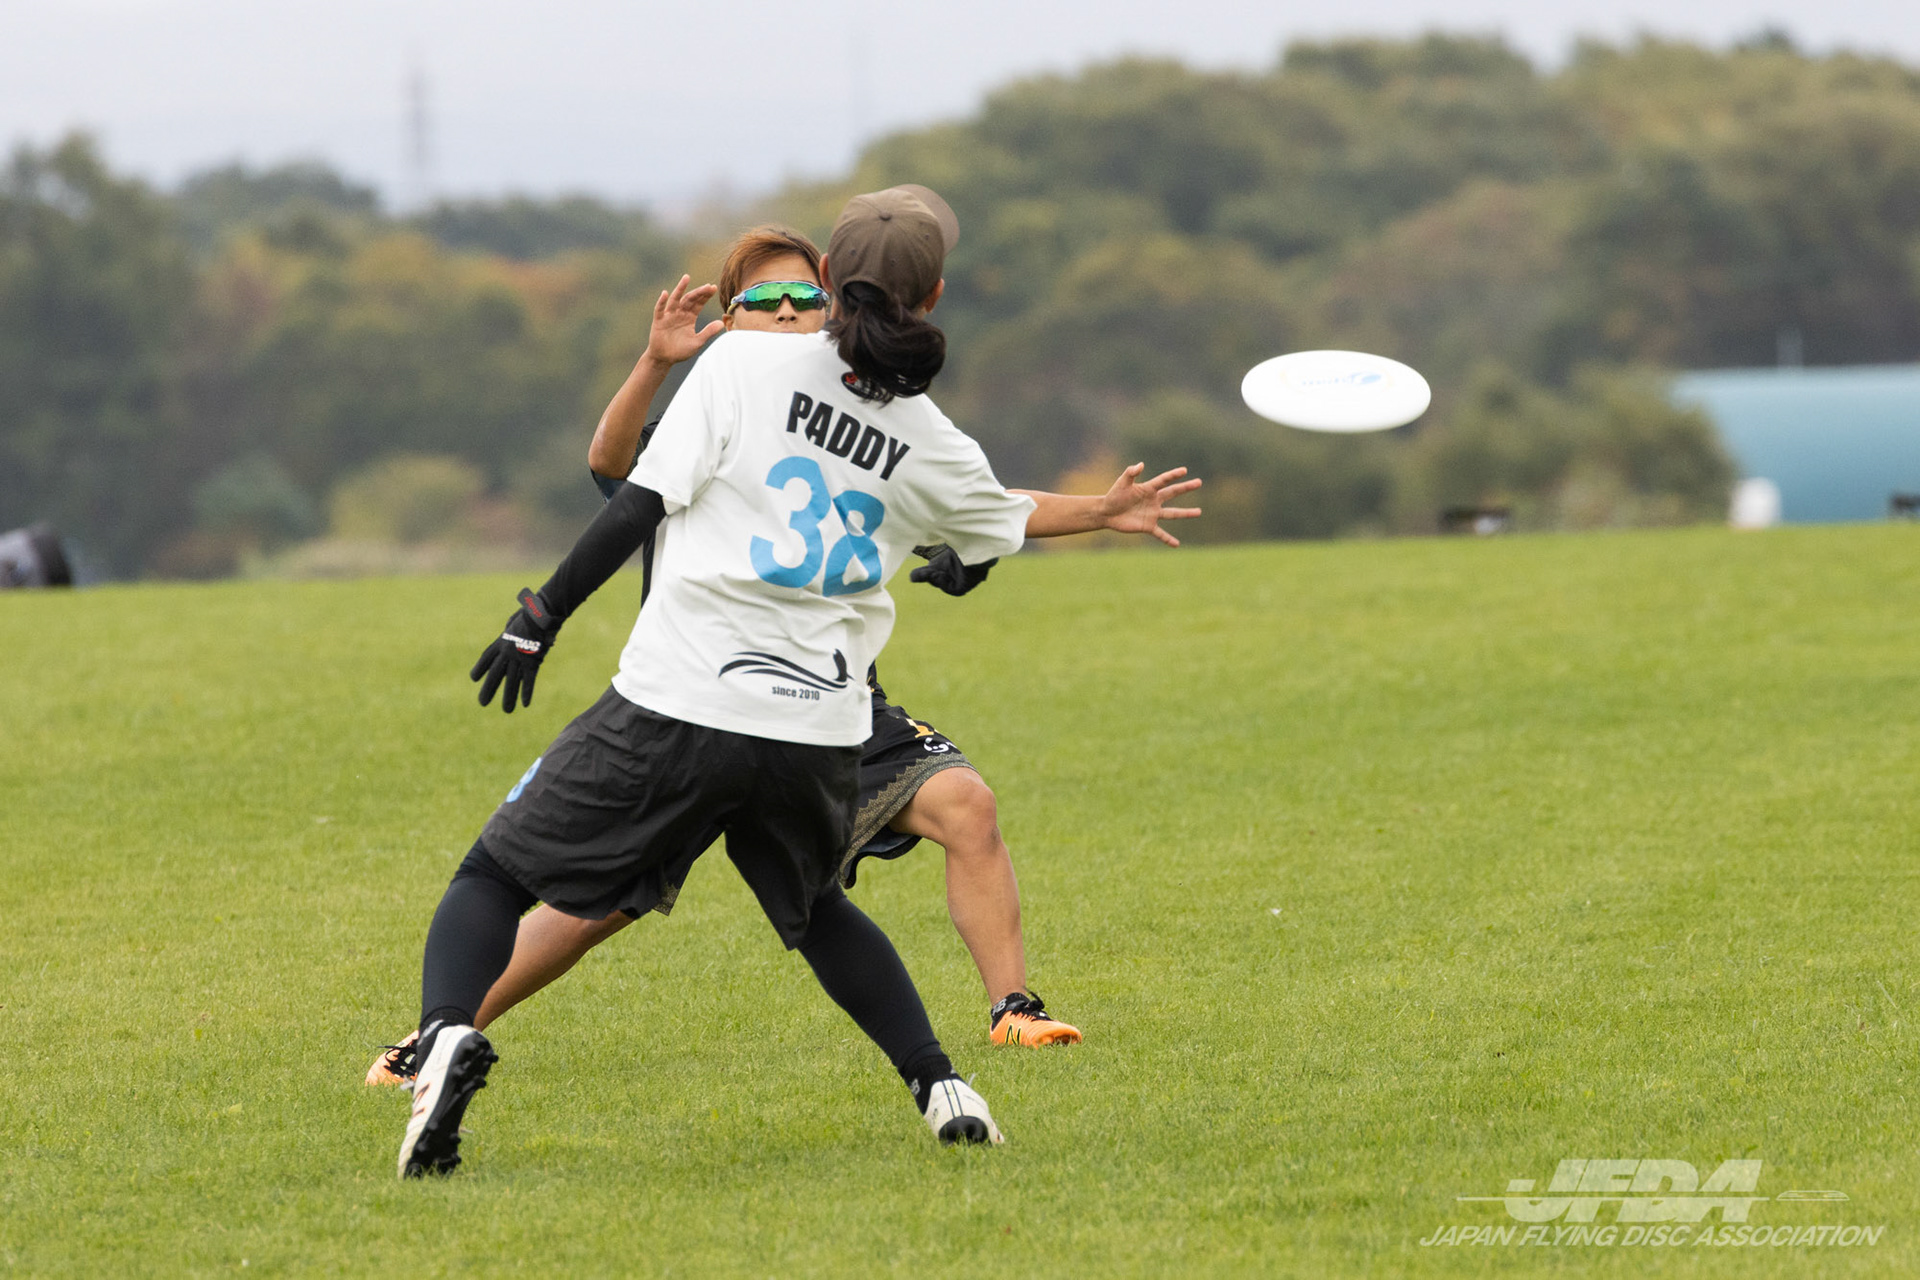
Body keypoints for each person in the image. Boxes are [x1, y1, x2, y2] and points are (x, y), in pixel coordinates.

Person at [394, 185, 1198, 1177]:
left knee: (494, 877)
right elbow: (998, 517)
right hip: (818, 728)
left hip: (684, 697)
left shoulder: (739, 362)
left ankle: (440, 1039)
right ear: (933, 296)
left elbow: (634, 502)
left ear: (825, 279)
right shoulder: (930, 433)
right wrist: (1095, 514)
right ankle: (942, 1085)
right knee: (816, 907)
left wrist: (538, 616)